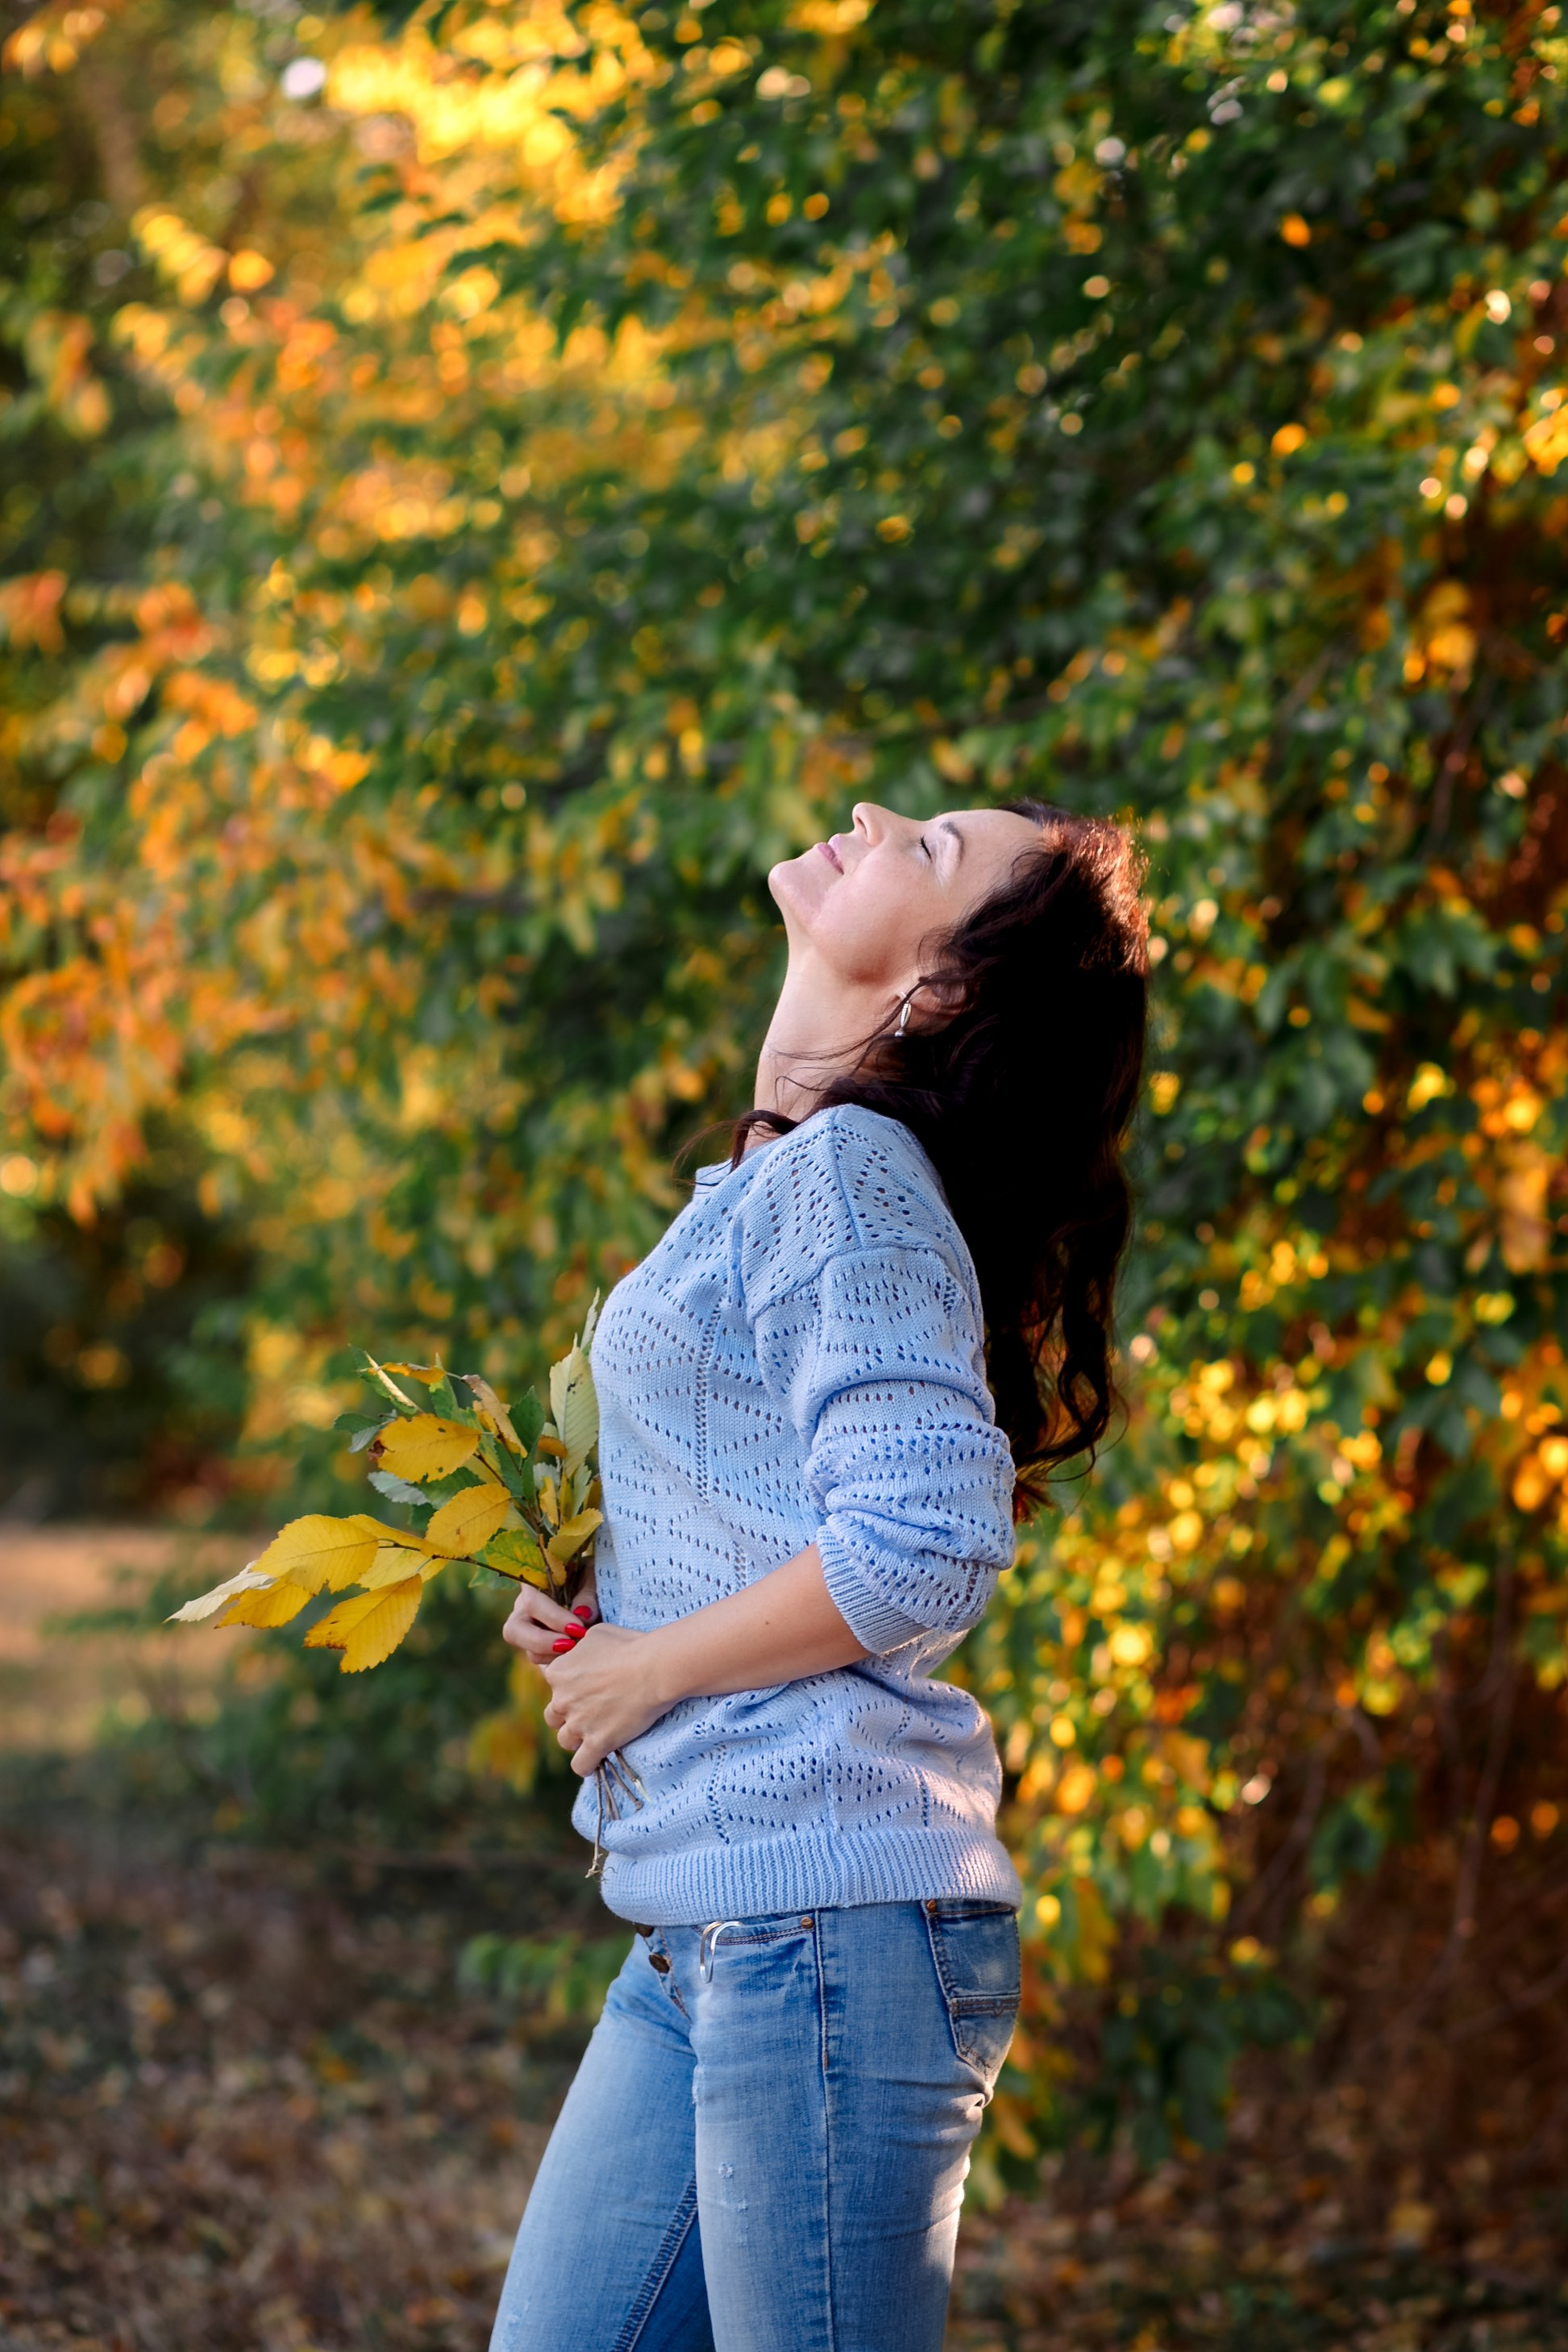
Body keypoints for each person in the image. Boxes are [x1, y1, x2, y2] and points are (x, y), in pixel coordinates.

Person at [490, 797, 1149, 2352]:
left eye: (927, 846)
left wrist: (652, 1668)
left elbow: (923, 1534)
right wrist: (605, 1603)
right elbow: (786, 1505)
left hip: (826, 1928)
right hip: (715, 1930)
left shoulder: (849, 1173)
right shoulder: (783, 1180)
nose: (872, 814)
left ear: (942, 992)